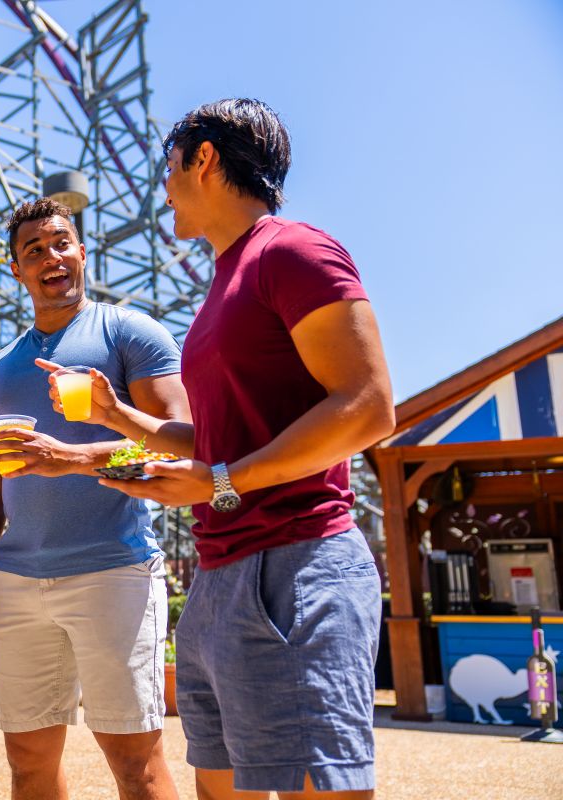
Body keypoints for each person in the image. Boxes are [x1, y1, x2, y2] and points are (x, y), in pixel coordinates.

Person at [70, 99, 395, 799]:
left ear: (204, 157)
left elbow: (369, 407)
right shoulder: (223, 282)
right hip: (219, 575)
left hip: (297, 563)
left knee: (319, 787)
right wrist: (118, 416)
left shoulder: (294, 250)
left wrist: (219, 481)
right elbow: (222, 440)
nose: (162, 187)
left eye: (170, 166)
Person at [0, 197, 188, 800]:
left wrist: (73, 458)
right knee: (27, 760)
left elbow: (179, 448)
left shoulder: (128, 332)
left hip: (114, 569)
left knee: (135, 760)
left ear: (82, 252)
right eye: (34, 251)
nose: (51, 257)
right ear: (17, 270)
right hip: (18, 580)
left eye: (61, 243)